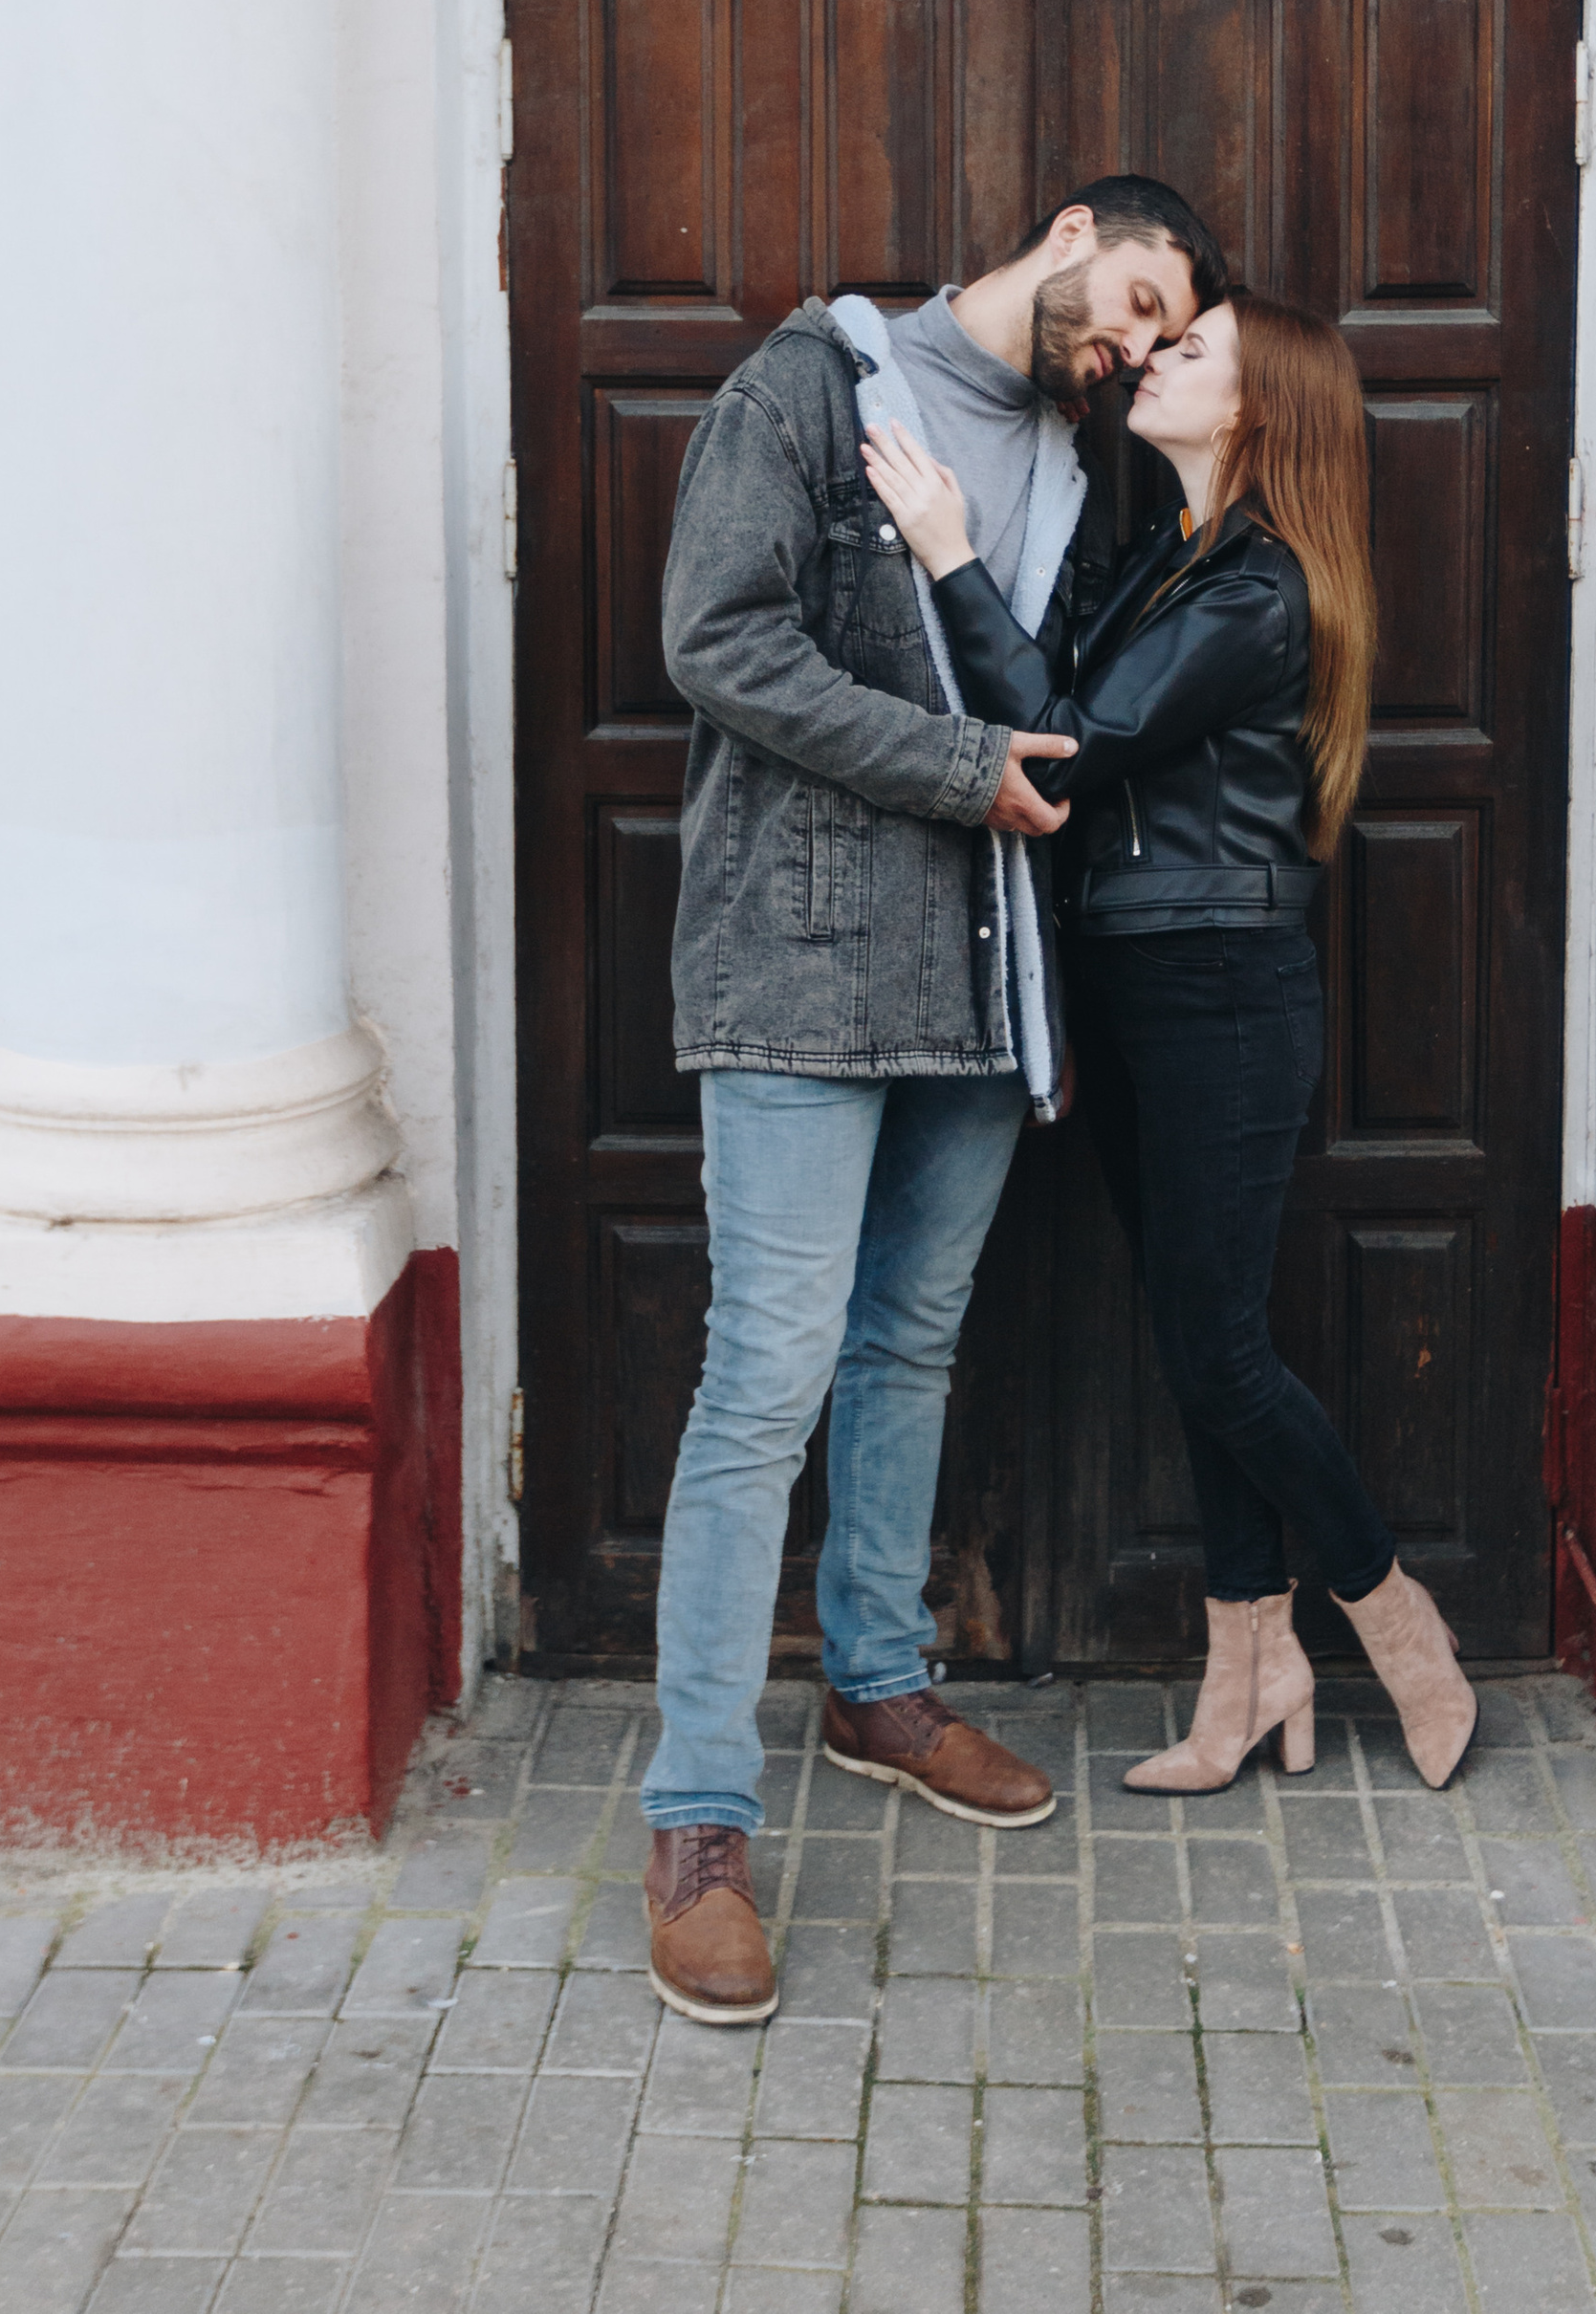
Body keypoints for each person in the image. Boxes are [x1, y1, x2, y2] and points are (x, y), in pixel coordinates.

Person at [640, 177, 1228, 2025]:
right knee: (765, 1381)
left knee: (908, 1349)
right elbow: (721, 643)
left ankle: (878, 1685)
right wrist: (964, 768)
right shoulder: (812, 388)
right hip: (801, 962)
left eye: (1156, 337)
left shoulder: (1081, 462)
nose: (1130, 347)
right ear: (1067, 234)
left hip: (986, 978)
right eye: (1131, 296)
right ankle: (696, 1816)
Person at [863, 290, 1479, 1799]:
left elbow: (1063, 737)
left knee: (1218, 1344)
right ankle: (1247, 1677)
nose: (1154, 358)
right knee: (1203, 1347)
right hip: (1136, 989)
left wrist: (947, 554)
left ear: (1258, 410)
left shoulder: (1256, 592)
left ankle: (1390, 1608)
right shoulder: (1165, 558)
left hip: (1223, 993)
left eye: (1190, 351)